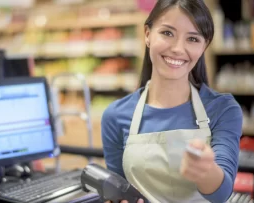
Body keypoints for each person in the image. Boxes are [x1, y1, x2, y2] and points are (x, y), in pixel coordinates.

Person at [101, 0, 243, 203]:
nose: (178, 49)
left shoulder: (223, 109)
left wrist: (206, 170)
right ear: (148, 35)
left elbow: (222, 193)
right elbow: (117, 192)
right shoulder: (115, 115)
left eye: (193, 39)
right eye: (167, 33)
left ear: (204, 46)